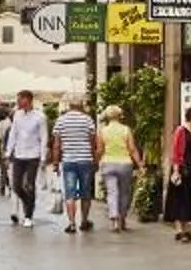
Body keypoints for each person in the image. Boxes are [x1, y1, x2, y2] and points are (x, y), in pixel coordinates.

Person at [52, 97, 100, 233]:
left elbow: (56, 145)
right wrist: (95, 160)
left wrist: (56, 162)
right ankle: (84, 221)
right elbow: (92, 143)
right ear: (81, 106)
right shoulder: (88, 120)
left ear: (69, 106)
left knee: (70, 193)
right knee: (86, 193)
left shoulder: (61, 120)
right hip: (85, 160)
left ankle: (72, 223)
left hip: (68, 161)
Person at [3, 89, 49, 226]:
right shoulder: (17, 115)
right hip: (19, 155)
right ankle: (27, 201)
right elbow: (13, 135)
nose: (17, 102)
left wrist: (43, 157)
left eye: (20, 99)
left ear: (28, 100)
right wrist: (7, 153)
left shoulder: (40, 116)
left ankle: (28, 215)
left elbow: (44, 136)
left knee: (30, 185)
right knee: (16, 185)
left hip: (33, 155)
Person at [164, 104, 191, 241]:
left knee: (189, 199)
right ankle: (179, 229)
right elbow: (177, 151)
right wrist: (176, 170)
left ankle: (185, 228)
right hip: (182, 169)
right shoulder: (181, 131)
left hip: (190, 168)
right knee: (179, 199)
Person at [95, 102, 142, 231]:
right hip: (125, 164)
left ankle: (114, 220)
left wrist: (96, 162)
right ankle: (122, 219)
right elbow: (132, 149)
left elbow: (99, 150)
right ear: (120, 116)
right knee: (124, 193)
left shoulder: (102, 131)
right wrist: (140, 165)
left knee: (112, 192)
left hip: (108, 163)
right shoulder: (126, 130)